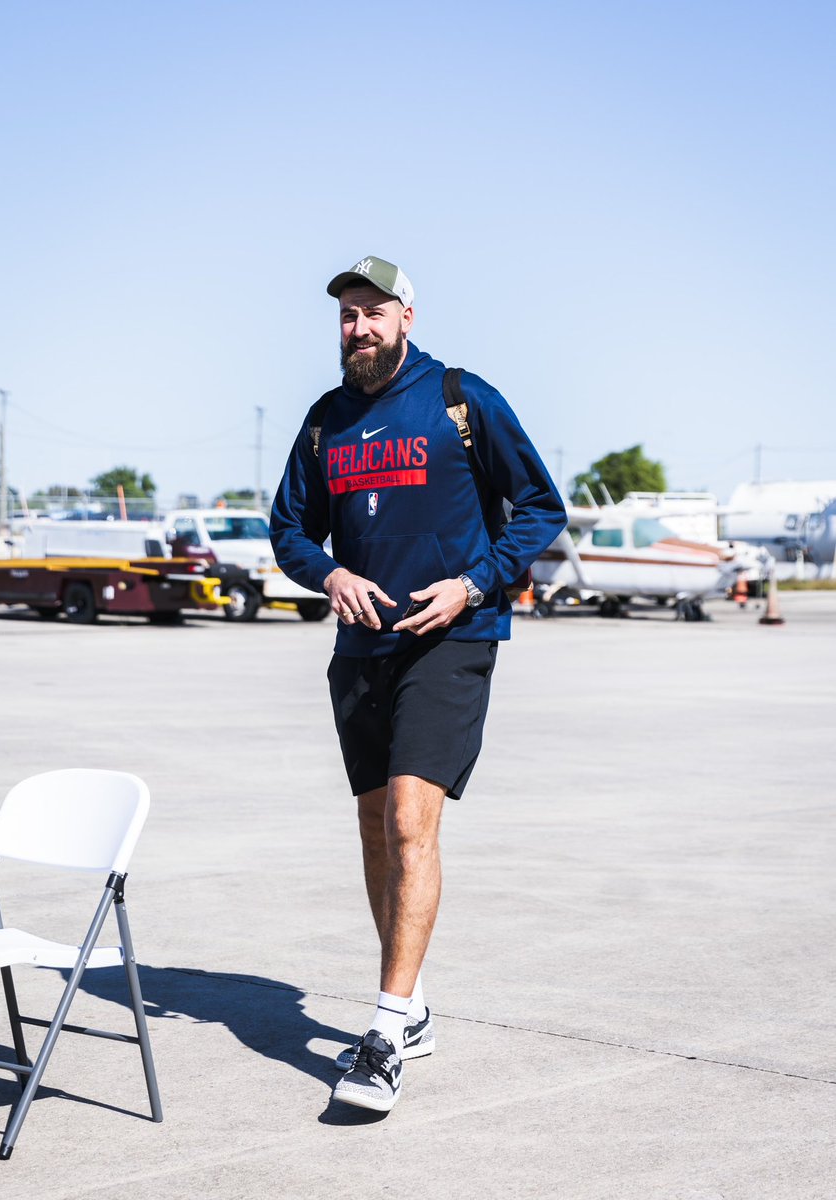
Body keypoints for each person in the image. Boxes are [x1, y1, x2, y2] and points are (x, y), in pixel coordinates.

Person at [270, 255, 567, 1114]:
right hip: (360, 651)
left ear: (406, 315)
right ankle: (416, 1004)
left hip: (452, 638)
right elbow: (289, 526)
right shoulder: (326, 421)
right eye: (345, 317)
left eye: (371, 312)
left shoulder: (460, 400)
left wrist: (474, 583)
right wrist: (326, 575)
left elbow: (541, 507)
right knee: (374, 828)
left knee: (409, 818)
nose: (356, 328)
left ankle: (384, 1034)